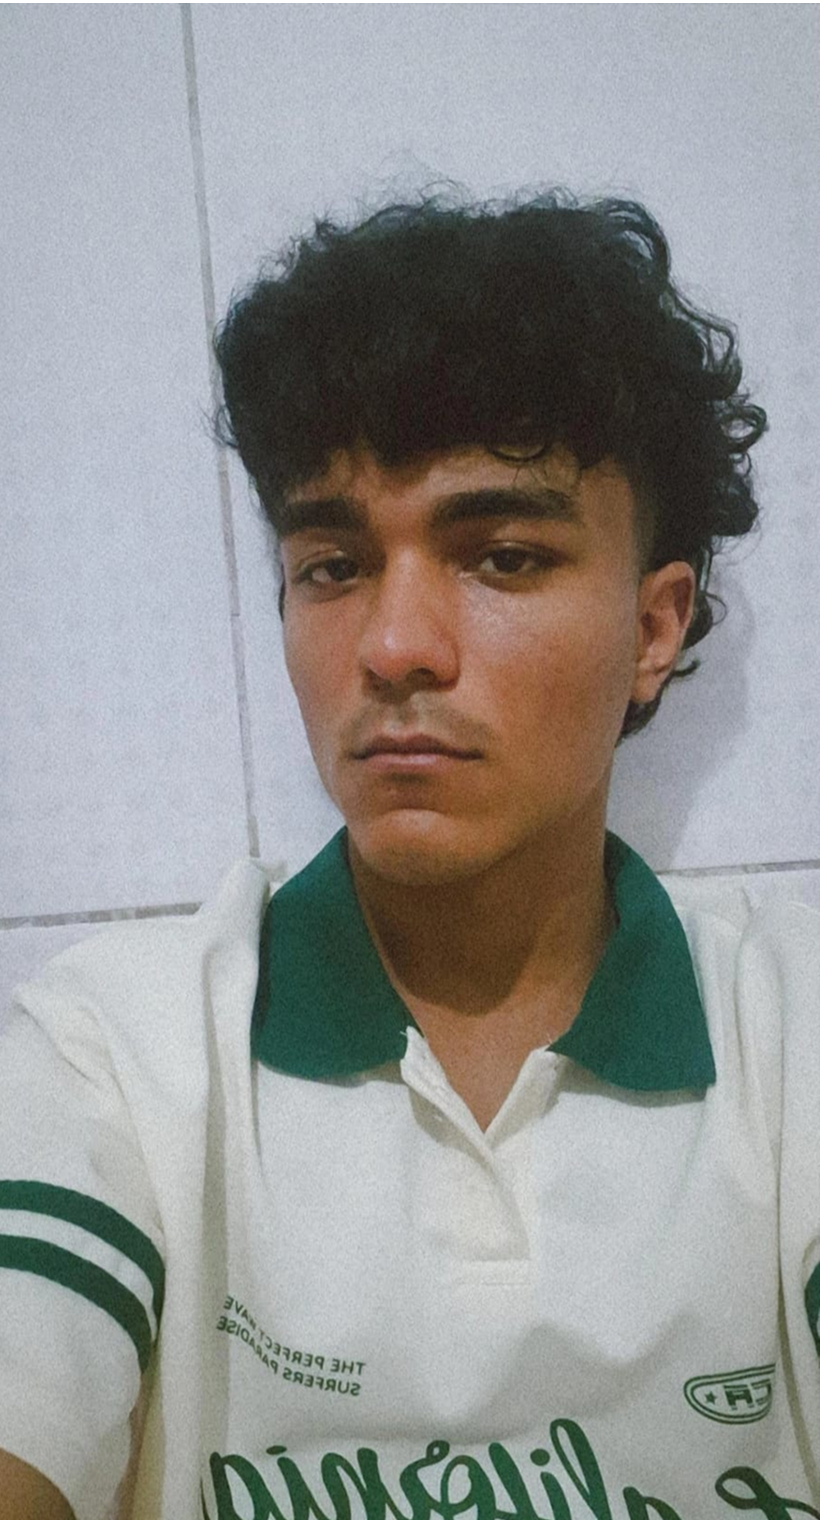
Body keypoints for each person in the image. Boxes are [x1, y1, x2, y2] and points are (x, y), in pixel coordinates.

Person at [0, 184, 818, 1520]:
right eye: (332, 566)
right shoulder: (118, 1060)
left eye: (502, 557)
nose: (392, 648)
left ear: (653, 629)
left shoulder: (795, 1039)